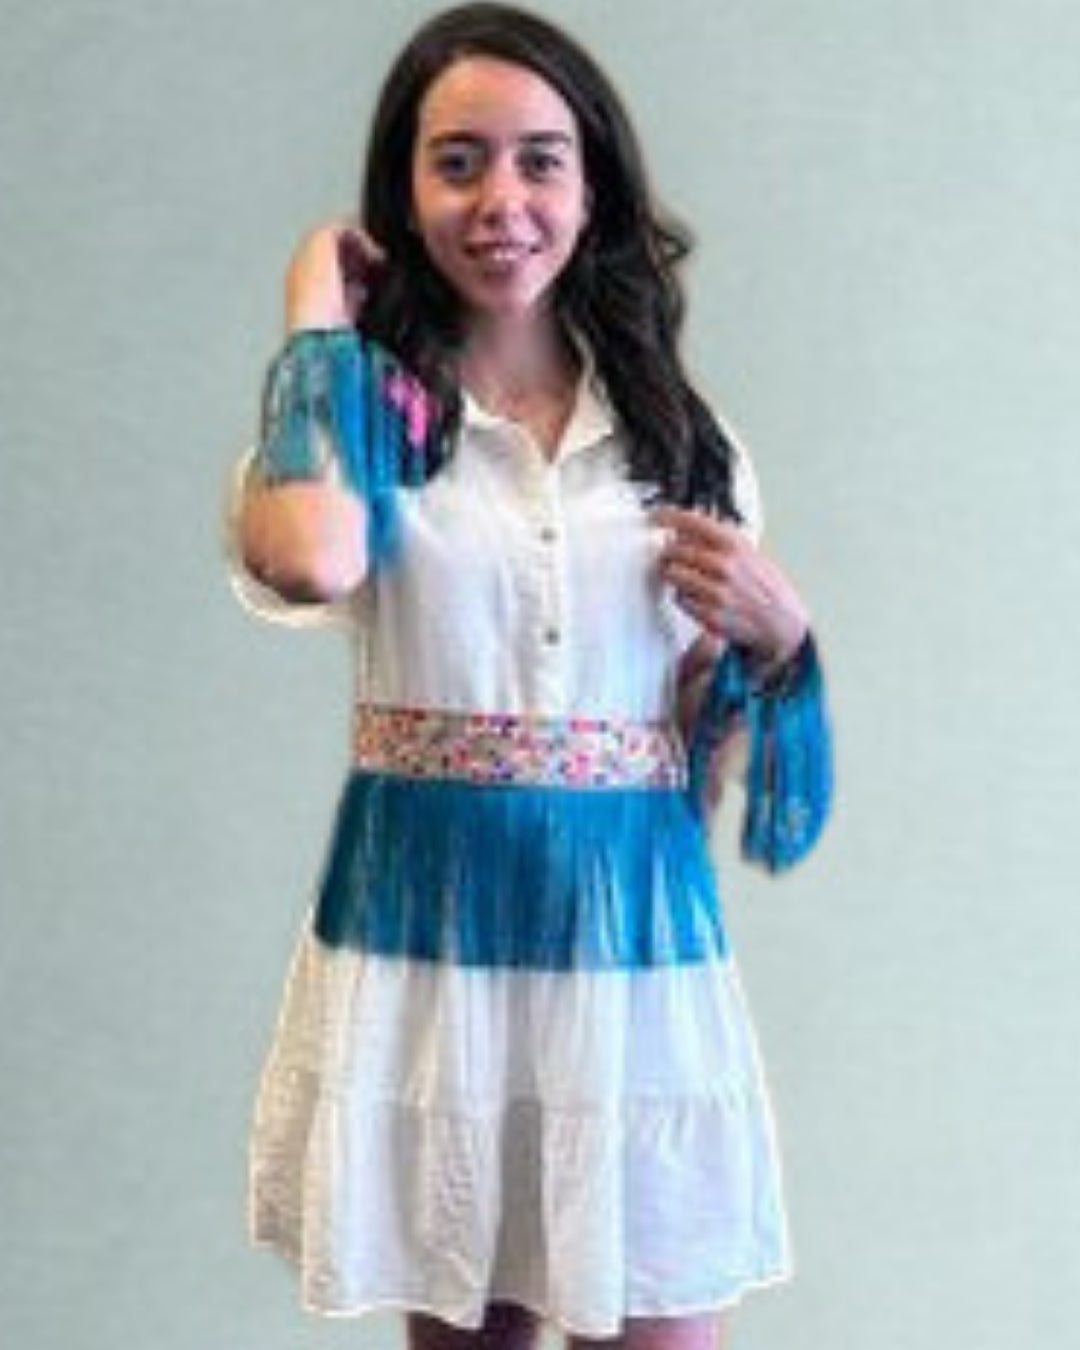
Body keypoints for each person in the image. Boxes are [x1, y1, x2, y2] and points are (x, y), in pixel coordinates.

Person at [227, 5, 832, 1348]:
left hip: (625, 954)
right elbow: (313, 558)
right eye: (458, 162)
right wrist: (315, 311)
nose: (502, 200)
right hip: (436, 944)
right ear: (405, 189)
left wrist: (783, 645)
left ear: (593, 185)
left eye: (541, 160)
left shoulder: (686, 441)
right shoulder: (359, 420)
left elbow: (698, 762)